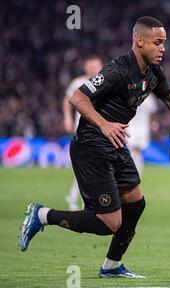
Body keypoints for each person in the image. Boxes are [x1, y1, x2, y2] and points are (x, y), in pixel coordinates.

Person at [19, 16, 170, 278]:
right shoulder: (118, 69)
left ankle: (112, 265)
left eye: (164, 43)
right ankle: (43, 215)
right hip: (91, 144)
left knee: (135, 204)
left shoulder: (153, 72)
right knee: (108, 223)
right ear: (140, 41)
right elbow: (76, 97)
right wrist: (104, 124)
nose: (163, 49)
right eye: (157, 43)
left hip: (115, 142)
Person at [62, 56, 103, 210]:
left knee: (94, 165)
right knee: (86, 164)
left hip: (100, 130)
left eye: (96, 66)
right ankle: (74, 197)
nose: (93, 69)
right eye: (90, 66)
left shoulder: (106, 81)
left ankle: (84, 199)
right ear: (86, 67)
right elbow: (67, 100)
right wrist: (67, 118)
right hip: (84, 130)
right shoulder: (78, 83)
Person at [126, 94, 158, 176]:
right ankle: (133, 173)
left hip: (143, 127)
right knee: (132, 150)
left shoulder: (149, 98)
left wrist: (153, 126)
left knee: (137, 150)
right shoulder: (129, 94)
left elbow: (152, 113)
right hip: (131, 126)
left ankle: (135, 173)